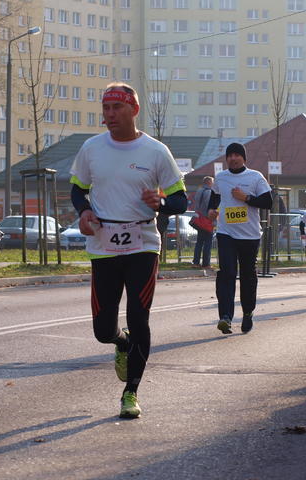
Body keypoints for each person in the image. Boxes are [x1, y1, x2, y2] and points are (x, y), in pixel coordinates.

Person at [69, 82, 187, 419]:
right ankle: (121, 342)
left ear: (134, 110)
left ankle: (131, 392)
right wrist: (84, 211)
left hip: (143, 243)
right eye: (106, 109)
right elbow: (77, 189)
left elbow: (181, 199)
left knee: (139, 316)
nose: (110, 115)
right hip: (104, 245)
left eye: (116, 108)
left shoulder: (155, 151)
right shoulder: (92, 148)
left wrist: (161, 202)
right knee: (102, 330)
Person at [207, 142, 272, 335]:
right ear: (226, 159)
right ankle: (225, 316)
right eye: (230, 155)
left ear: (243, 158)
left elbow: (268, 202)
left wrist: (246, 198)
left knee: (247, 276)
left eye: (237, 155)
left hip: (250, 236)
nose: (233, 158)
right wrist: (211, 210)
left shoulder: (255, 177)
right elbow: (215, 197)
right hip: (226, 232)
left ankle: (248, 313)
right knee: (226, 273)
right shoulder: (221, 177)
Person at [191, 176, 214, 268]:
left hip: (198, 219)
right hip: (206, 220)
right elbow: (208, 206)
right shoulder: (208, 192)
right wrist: (211, 217)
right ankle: (206, 263)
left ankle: (196, 262)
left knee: (199, 242)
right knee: (208, 243)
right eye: (212, 182)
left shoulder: (199, 191)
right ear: (209, 182)